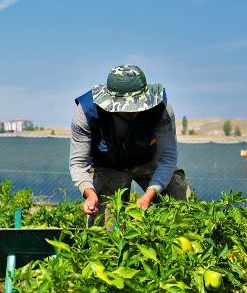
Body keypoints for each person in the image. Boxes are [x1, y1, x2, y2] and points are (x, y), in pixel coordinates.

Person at [69, 64, 189, 223]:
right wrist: (90, 194)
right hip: (109, 166)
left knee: (179, 207)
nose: (132, 111)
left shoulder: (161, 108)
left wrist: (149, 195)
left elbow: (167, 157)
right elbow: (78, 163)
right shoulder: (86, 113)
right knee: (103, 228)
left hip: (148, 161)